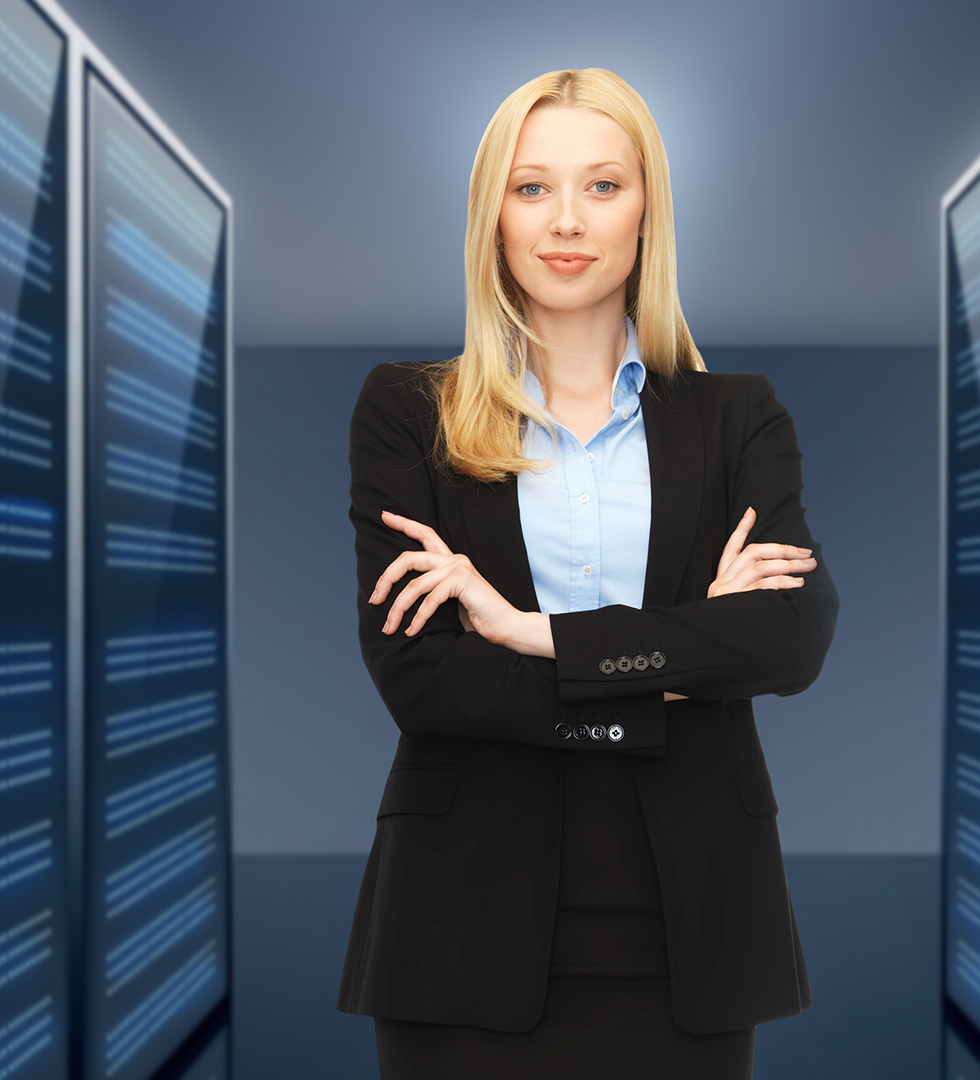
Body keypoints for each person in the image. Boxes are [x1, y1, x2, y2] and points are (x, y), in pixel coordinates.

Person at [338, 67, 840, 1078]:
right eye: (532, 188)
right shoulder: (407, 411)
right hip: (460, 933)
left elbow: (788, 638)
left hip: (689, 932)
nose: (567, 219)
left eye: (603, 185)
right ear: (493, 215)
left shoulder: (739, 415)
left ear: (648, 206)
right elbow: (427, 680)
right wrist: (671, 673)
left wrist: (538, 635)